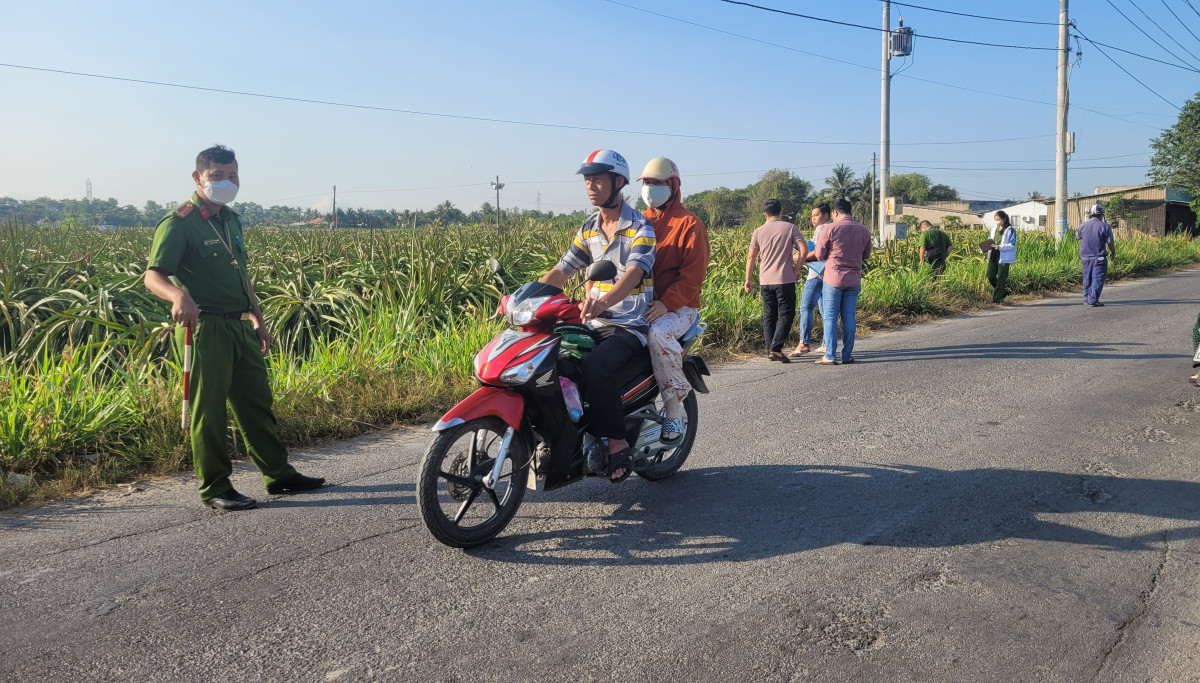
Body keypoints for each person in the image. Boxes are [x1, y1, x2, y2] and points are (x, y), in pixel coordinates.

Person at [144, 145, 324, 511]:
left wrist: (258, 319)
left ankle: (279, 475)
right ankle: (215, 487)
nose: (226, 183)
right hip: (205, 328)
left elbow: (242, 277)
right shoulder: (180, 222)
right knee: (208, 411)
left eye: (232, 176)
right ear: (198, 178)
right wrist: (177, 296)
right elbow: (153, 275)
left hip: (240, 326)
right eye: (217, 177)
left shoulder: (232, 220)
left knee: (257, 403)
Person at [540, 149, 655, 483]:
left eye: (598, 179)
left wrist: (604, 302)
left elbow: (633, 274)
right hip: (593, 321)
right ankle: (564, 438)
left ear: (618, 182)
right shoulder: (589, 227)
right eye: (587, 179)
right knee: (555, 361)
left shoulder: (640, 227)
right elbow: (562, 270)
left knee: (596, 367)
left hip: (629, 325)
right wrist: (524, 295)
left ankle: (618, 443)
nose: (591, 186)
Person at [638, 157, 710, 445]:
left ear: (672, 186)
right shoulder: (638, 221)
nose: (649, 189)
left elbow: (693, 276)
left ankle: (672, 407)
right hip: (640, 304)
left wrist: (666, 304)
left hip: (679, 308)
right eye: (646, 183)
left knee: (658, 332)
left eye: (656, 183)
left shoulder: (690, 224)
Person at [744, 199, 807, 362]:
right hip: (784, 279)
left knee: (769, 315)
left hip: (765, 280)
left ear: (765, 215)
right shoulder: (790, 227)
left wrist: (748, 279)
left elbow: (751, 256)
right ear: (781, 211)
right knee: (787, 313)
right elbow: (804, 249)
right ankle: (776, 348)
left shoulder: (758, 231)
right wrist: (797, 268)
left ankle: (770, 349)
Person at [813, 198, 872, 365]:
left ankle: (830, 355)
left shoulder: (830, 228)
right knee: (849, 317)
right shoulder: (863, 229)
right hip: (853, 279)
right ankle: (847, 355)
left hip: (833, 279)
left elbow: (819, 255)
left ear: (835, 212)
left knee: (830, 317)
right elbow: (866, 254)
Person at [789, 202, 831, 358]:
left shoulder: (822, 228)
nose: (813, 218)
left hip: (816, 275)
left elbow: (816, 254)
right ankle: (826, 344)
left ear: (826, 215)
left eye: (816, 215)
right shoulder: (832, 228)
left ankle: (804, 342)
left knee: (805, 307)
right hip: (828, 274)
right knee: (825, 310)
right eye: (812, 216)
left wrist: (797, 258)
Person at [1077, 203, 1116, 307]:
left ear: (1090, 215)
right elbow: (1110, 242)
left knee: (1087, 278)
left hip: (1085, 257)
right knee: (1097, 278)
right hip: (1099, 257)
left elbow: (1078, 237)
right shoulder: (1105, 226)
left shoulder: (1082, 225)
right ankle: (1093, 299)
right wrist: (1113, 253)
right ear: (1101, 215)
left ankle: (1087, 298)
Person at [987, 210, 1017, 304]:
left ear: (1004, 219)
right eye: (995, 219)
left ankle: (997, 299)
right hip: (993, 255)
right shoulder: (993, 229)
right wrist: (983, 247)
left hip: (1004, 256)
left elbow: (1012, 244)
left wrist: (1000, 247)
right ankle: (1003, 292)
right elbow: (989, 240)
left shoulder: (1010, 230)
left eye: (998, 219)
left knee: (1001, 277)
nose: (997, 221)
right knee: (990, 276)